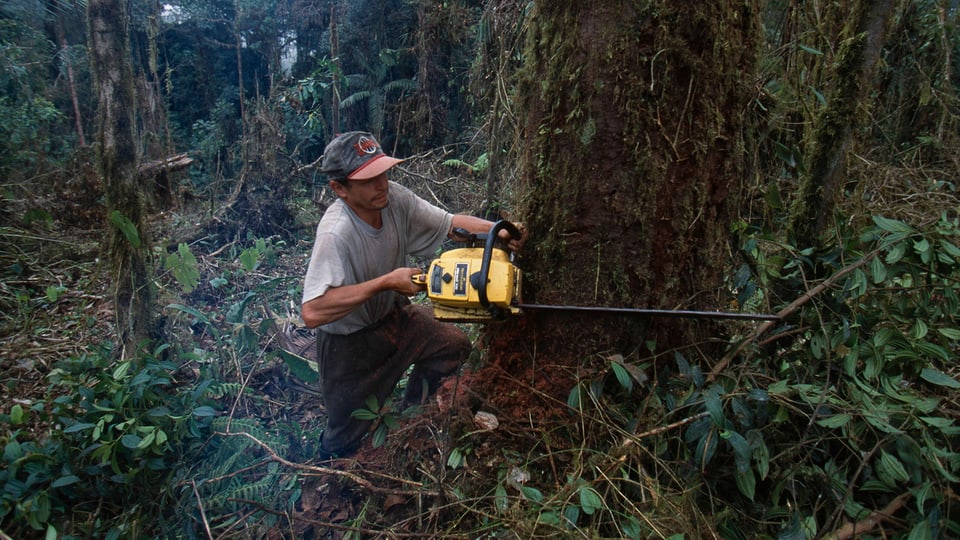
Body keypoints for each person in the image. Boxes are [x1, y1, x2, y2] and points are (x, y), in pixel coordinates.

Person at [301, 131, 514, 458]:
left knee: (452, 346)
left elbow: (450, 224)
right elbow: (313, 311)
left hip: (394, 318)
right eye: (369, 180)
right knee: (343, 439)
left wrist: (499, 230)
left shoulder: (393, 199)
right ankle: (331, 482)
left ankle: (411, 420)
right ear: (340, 189)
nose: (381, 184)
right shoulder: (336, 233)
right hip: (348, 347)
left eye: (383, 173)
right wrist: (385, 282)